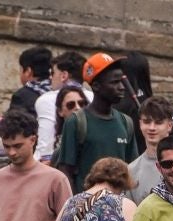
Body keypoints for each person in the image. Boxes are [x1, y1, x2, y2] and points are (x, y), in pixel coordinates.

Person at [56, 54, 139, 189]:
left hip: (118, 206)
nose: (122, 87)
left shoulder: (126, 123)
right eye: (114, 82)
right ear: (96, 86)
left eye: (122, 81)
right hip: (86, 205)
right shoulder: (77, 122)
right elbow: (66, 171)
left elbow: (132, 169)